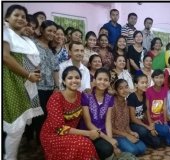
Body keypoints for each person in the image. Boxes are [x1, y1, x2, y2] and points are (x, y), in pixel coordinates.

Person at [3, 5, 42, 160]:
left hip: (24, 85)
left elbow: (33, 61)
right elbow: (5, 57)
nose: (20, 18)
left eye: (23, 16)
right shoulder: (4, 32)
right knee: (14, 127)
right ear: (7, 18)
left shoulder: (25, 39)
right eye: (16, 15)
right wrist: (28, 74)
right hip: (9, 82)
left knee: (18, 128)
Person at [40, 66, 99, 160]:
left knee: (85, 144)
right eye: (70, 78)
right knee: (84, 144)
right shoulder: (56, 98)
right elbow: (59, 129)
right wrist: (88, 133)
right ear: (63, 81)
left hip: (72, 133)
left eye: (77, 77)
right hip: (53, 134)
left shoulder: (81, 96)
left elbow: (93, 112)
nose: (74, 80)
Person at [81, 68, 118, 160]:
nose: (102, 82)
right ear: (94, 80)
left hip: (102, 133)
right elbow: (88, 123)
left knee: (110, 148)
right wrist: (108, 139)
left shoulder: (110, 98)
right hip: (88, 133)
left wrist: (111, 142)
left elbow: (108, 122)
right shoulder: (86, 96)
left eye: (106, 80)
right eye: (100, 79)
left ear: (109, 82)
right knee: (106, 149)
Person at [34, 20, 59, 143]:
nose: (52, 34)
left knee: (47, 116)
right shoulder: (33, 44)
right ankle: (37, 141)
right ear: (42, 30)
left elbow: (55, 70)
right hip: (35, 87)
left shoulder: (51, 49)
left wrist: (57, 87)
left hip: (50, 88)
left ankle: (44, 140)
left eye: (54, 32)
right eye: (49, 30)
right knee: (38, 116)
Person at [112, 79, 146, 155]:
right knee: (134, 151)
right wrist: (127, 135)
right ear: (116, 91)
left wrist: (131, 132)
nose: (124, 90)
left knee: (142, 149)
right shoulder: (112, 104)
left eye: (126, 87)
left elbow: (126, 124)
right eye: (121, 88)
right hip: (116, 136)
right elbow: (110, 128)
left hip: (125, 133)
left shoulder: (126, 102)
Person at [128, 74, 161, 149]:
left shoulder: (144, 94)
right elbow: (133, 118)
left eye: (146, 82)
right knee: (143, 131)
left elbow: (146, 111)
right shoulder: (132, 97)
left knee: (157, 143)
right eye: (142, 83)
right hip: (133, 124)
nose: (145, 84)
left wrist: (151, 125)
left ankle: (144, 138)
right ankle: (139, 139)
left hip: (142, 122)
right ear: (136, 84)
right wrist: (147, 127)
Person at [146, 70, 170, 146]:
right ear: (152, 79)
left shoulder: (165, 90)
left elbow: (164, 107)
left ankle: (160, 135)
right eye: (156, 77)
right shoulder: (148, 91)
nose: (159, 80)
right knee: (164, 132)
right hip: (153, 121)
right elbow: (147, 109)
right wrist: (151, 123)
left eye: (161, 77)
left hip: (162, 120)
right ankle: (156, 134)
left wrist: (165, 122)